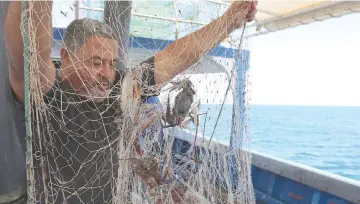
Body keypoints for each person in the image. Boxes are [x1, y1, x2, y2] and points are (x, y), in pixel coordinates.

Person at [2, 1, 257, 203]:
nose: (105, 74)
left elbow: (175, 57)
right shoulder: (45, 93)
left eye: (112, 63)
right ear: (66, 57)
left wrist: (228, 22)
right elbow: (28, 53)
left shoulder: (119, 89)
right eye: (95, 62)